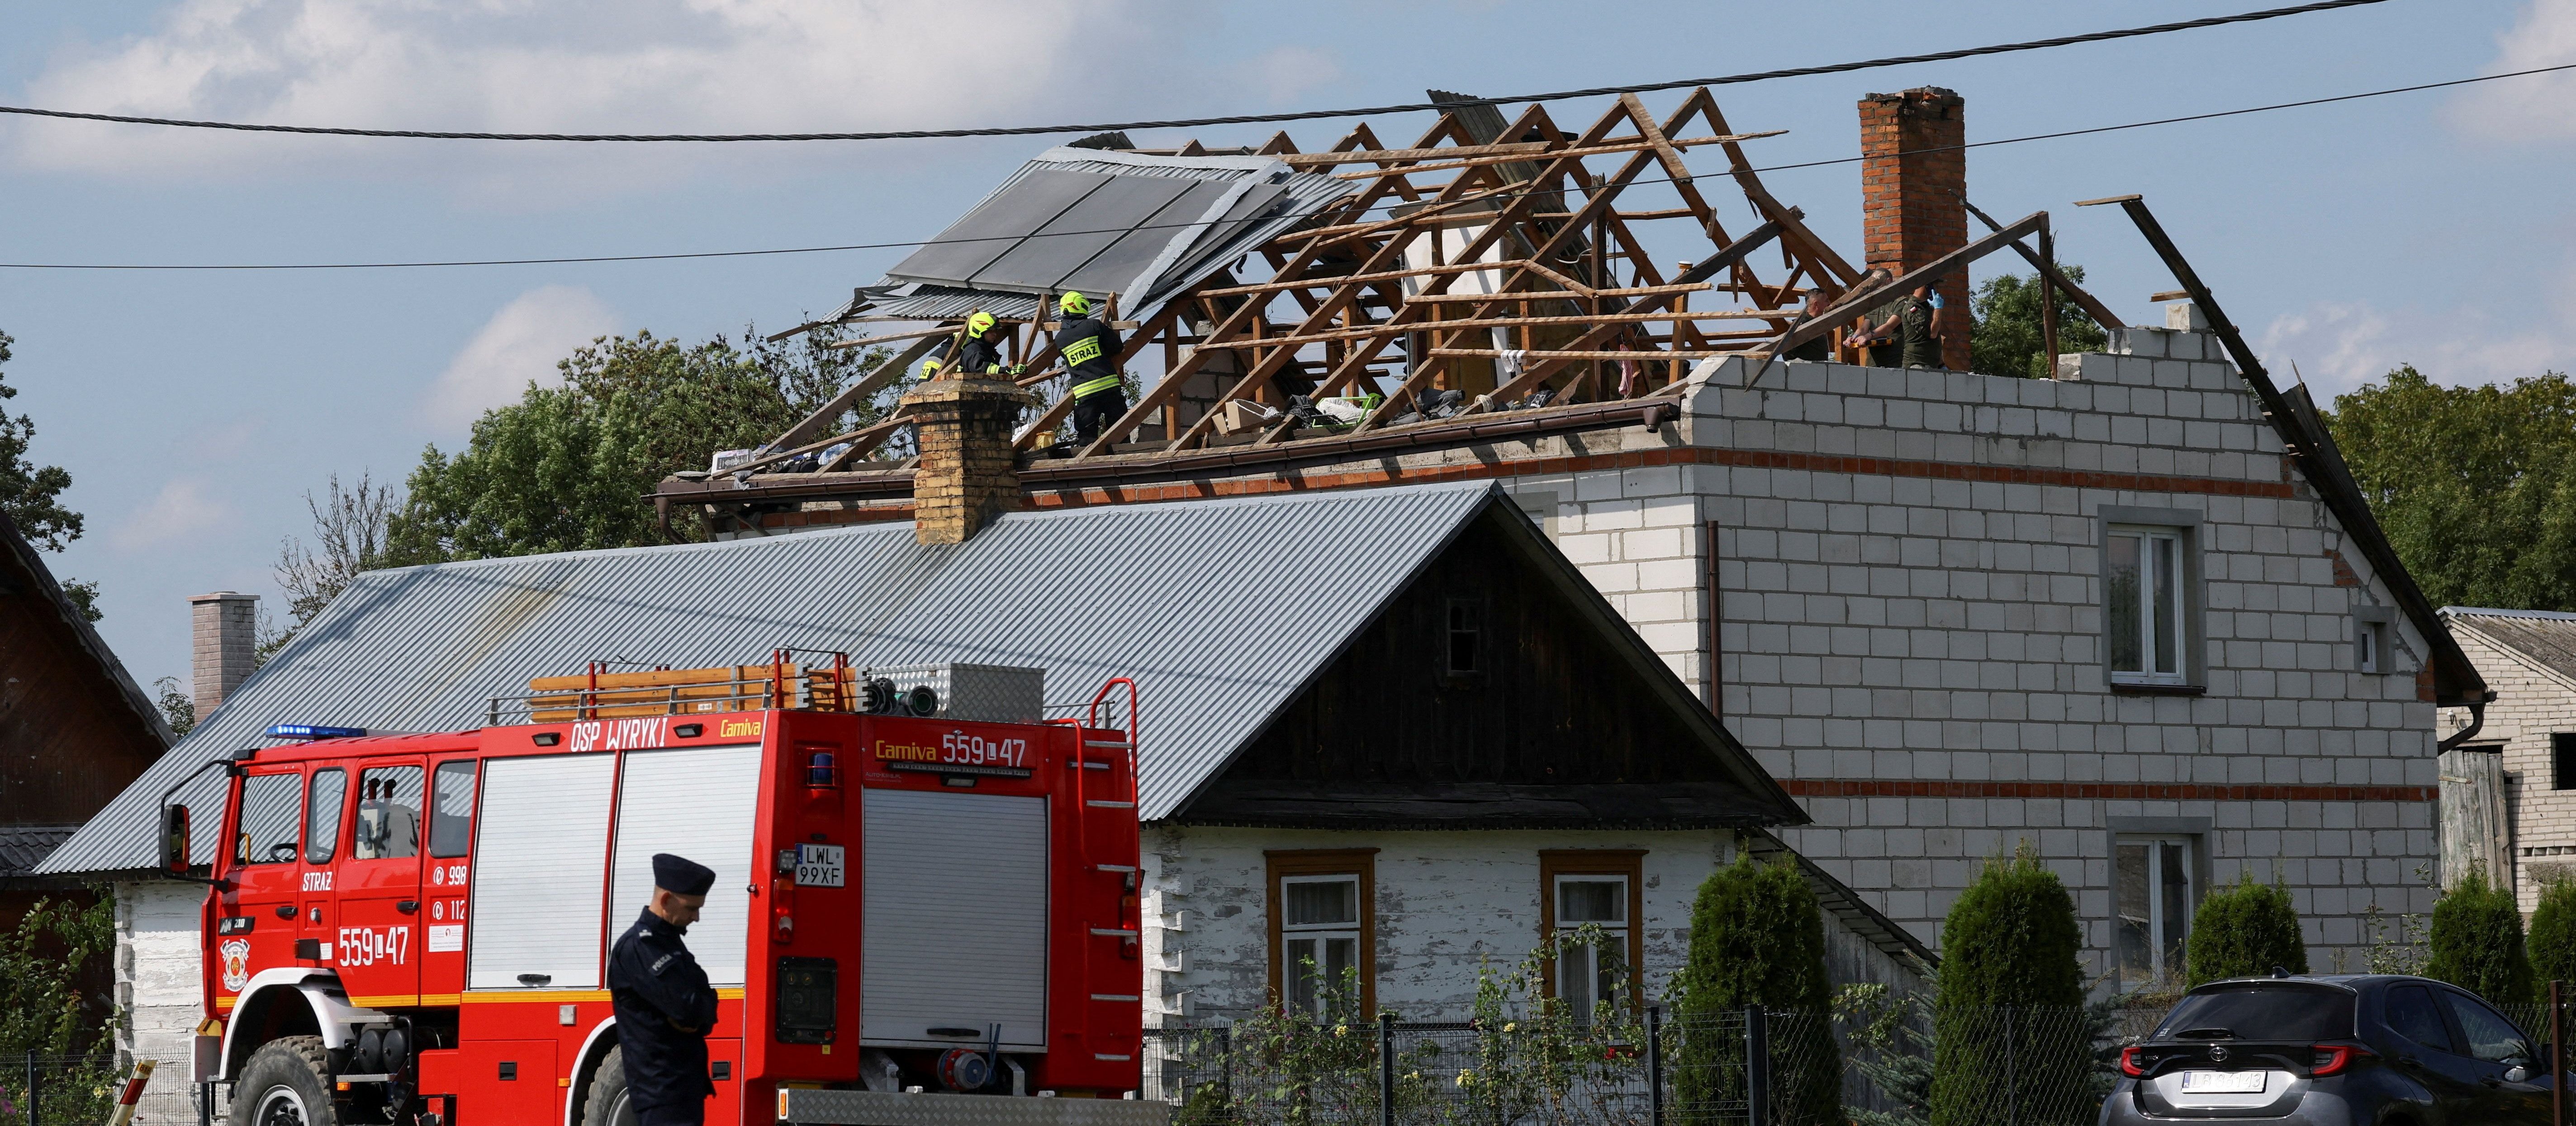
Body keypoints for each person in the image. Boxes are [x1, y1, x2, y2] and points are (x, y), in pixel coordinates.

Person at [608, 854, 719, 1126]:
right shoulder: (639, 947)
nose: (696, 917)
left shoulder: (670, 943)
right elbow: (688, 1009)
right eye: (691, 908)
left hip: (683, 1087)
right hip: (660, 1090)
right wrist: (696, 1010)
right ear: (667, 900)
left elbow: (705, 1002)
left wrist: (699, 1010)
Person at [1053, 291, 1125, 449]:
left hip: (1084, 396)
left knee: (1086, 441)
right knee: (1120, 435)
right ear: (1081, 307)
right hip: (1109, 390)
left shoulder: (1060, 339)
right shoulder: (1093, 325)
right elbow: (1118, 347)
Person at [944, 311, 1008, 376]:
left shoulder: (986, 350)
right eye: (991, 331)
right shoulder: (972, 349)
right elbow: (979, 367)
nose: (995, 334)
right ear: (979, 331)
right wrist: (1003, 370)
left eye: (996, 331)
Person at [1784, 290, 1833, 363]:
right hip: (1806, 368)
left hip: (1820, 368)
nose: (1829, 303)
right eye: (1826, 301)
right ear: (1816, 305)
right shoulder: (1801, 324)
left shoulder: (1820, 324)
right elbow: (1788, 352)